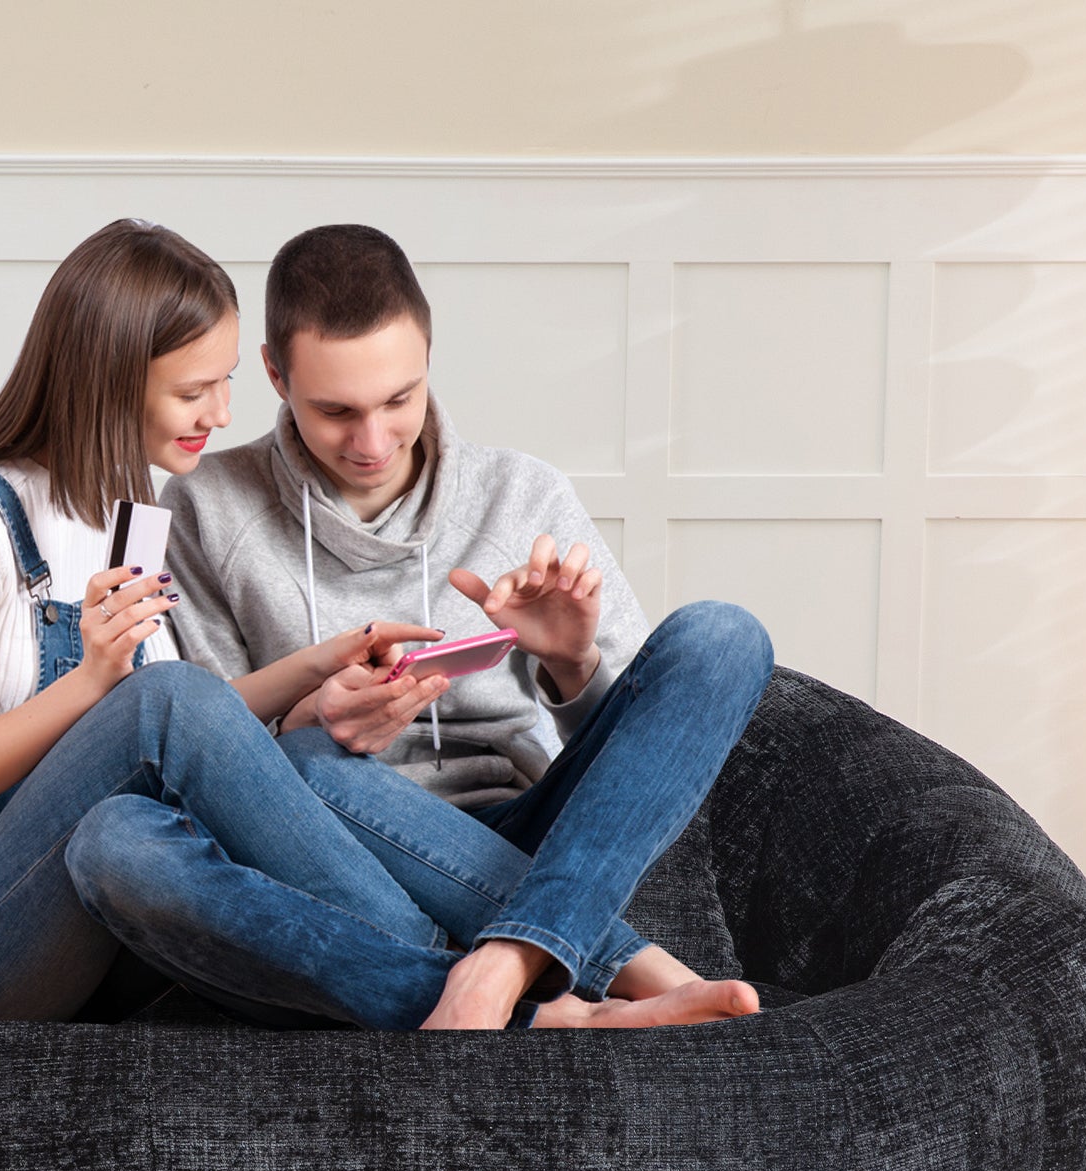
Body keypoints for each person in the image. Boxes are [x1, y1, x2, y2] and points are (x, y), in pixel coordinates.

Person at [75, 224, 773, 1032]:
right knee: (210, 803)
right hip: (328, 858)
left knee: (724, 636)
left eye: (398, 401)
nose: (371, 442)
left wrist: (571, 664)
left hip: (529, 834)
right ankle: (573, 991)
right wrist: (309, 720)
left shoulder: (522, 493)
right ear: (274, 373)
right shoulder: (203, 509)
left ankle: (506, 961)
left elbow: (642, 770)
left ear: (429, 359)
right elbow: (206, 758)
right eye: (335, 410)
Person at [0, 218, 451, 1020]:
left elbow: (175, 738)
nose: (223, 413)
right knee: (162, 697)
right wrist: (93, 681)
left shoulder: (127, 514)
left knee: (303, 752)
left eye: (227, 381)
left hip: (74, 903)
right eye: (194, 391)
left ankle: (530, 949)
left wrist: (321, 662)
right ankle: (458, 976)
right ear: (108, 380)